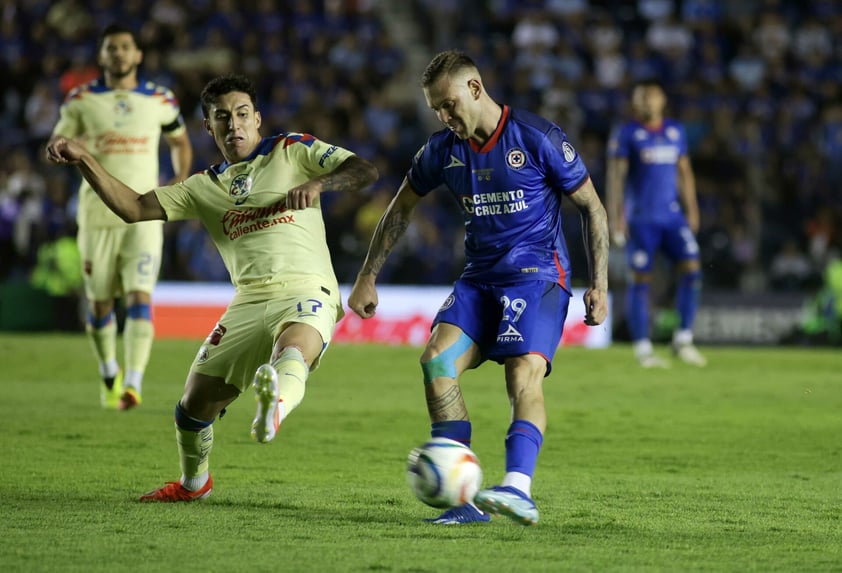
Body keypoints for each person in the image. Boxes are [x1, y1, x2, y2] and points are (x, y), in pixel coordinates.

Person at [47, 74, 379, 502]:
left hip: (306, 286)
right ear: (209, 127)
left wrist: (320, 183)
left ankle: (274, 407)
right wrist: (83, 158)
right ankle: (194, 484)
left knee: (293, 349)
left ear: (257, 119)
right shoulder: (203, 187)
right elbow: (132, 207)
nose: (234, 125)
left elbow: (363, 170)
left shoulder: (292, 150)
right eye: (222, 117)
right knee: (192, 407)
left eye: (242, 115)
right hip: (247, 302)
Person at [348, 50, 609, 526]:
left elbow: (592, 207)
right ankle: (463, 500)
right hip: (478, 278)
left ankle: (517, 489)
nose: (445, 117)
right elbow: (402, 206)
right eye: (435, 111)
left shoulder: (537, 137)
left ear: (475, 88)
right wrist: (368, 274)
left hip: (537, 276)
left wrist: (600, 285)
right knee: (436, 360)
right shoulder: (442, 150)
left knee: (521, 374)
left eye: (448, 105)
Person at [47, 23, 194, 410]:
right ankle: (109, 371)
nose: (118, 53)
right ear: (101, 56)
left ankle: (133, 382)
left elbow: (180, 141)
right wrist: (58, 148)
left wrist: (177, 183)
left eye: (125, 47)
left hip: (144, 212)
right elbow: (57, 139)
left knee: (140, 296)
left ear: (138, 55)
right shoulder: (80, 100)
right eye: (111, 48)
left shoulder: (160, 99)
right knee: (99, 305)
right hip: (97, 215)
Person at [606, 78, 707, 368]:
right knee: (641, 280)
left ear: (662, 100)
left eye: (650, 96)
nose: (646, 102)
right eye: (640, 98)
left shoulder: (675, 131)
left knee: (692, 270)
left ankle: (683, 339)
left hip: (673, 217)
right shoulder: (628, 133)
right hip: (641, 220)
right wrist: (616, 216)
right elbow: (617, 176)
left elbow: (684, 171)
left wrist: (693, 209)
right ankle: (643, 348)